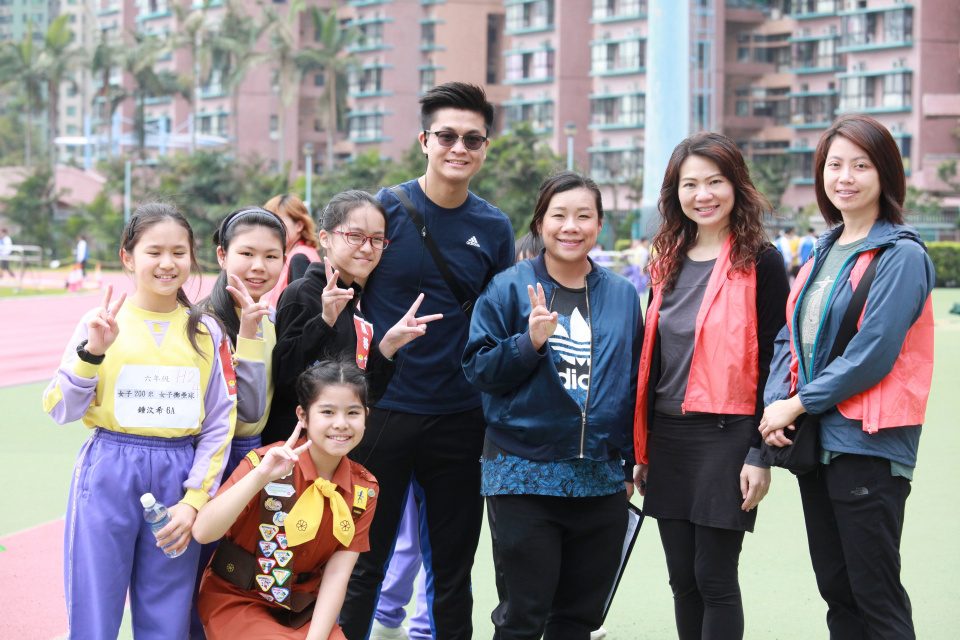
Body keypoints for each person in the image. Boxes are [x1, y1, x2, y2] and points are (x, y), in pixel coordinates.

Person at [339, 82, 515, 640]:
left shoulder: (494, 227)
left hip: (460, 417)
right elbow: (337, 291)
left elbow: (500, 319)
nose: (459, 148)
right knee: (362, 563)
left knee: (452, 571)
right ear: (424, 141)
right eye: (446, 136)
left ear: (485, 147)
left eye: (472, 139)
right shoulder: (383, 211)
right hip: (382, 412)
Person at [760, 113, 935, 640]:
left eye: (861, 165)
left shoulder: (902, 254)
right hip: (818, 444)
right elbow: (789, 336)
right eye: (835, 165)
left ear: (885, 173)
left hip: (868, 445)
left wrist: (797, 405)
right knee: (838, 592)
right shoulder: (823, 250)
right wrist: (776, 402)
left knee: (874, 594)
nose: (845, 177)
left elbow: (873, 352)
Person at [42, 203, 237, 640]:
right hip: (109, 469)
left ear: (191, 258)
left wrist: (193, 501)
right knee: (94, 603)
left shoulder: (209, 331)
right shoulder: (99, 323)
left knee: (167, 611)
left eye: (178, 252)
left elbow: (220, 424)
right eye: (154, 252)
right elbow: (59, 408)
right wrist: (92, 353)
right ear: (127, 258)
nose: (167, 263)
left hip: (178, 474)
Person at [463, 171, 640, 638]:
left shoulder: (622, 295)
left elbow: (630, 383)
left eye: (584, 216)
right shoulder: (508, 288)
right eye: (559, 215)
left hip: (600, 479)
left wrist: (628, 465)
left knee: (579, 618)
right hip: (522, 475)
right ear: (540, 223)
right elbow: (478, 370)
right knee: (523, 615)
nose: (571, 226)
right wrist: (529, 343)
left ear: (599, 224)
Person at [633, 132, 789, 640]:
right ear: (675, 193)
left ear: (736, 185)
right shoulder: (666, 260)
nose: (703, 195)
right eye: (690, 184)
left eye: (715, 181)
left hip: (727, 434)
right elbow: (655, 359)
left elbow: (776, 359)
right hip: (668, 437)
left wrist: (760, 454)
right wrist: (642, 448)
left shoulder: (761, 260)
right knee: (682, 580)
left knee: (714, 578)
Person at [194, 359, 379, 640]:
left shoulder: (364, 489)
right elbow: (203, 532)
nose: (341, 424)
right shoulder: (265, 461)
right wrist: (260, 477)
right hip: (238, 597)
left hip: (302, 606)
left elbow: (337, 576)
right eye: (327, 412)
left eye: (353, 412)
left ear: (365, 416)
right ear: (302, 416)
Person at [262, 190, 441, 445]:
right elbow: (285, 381)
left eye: (377, 239)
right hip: (296, 453)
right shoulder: (303, 294)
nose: (367, 248)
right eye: (355, 236)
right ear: (325, 238)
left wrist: (388, 347)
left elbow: (365, 396)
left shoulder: (353, 308)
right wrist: (324, 322)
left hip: (336, 451)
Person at [192, 206, 289, 639]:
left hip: (256, 461)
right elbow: (245, 414)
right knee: (199, 578)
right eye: (246, 254)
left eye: (271, 256)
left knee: (240, 581)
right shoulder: (202, 324)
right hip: (214, 461)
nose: (258, 266)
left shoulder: (270, 317)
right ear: (221, 255)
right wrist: (247, 336)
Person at [265, 194, 322, 308]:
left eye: (278, 222)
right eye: (268, 222)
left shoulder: (299, 258)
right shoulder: (301, 253)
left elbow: (302, 309)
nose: (271, 229)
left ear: (299, 225)